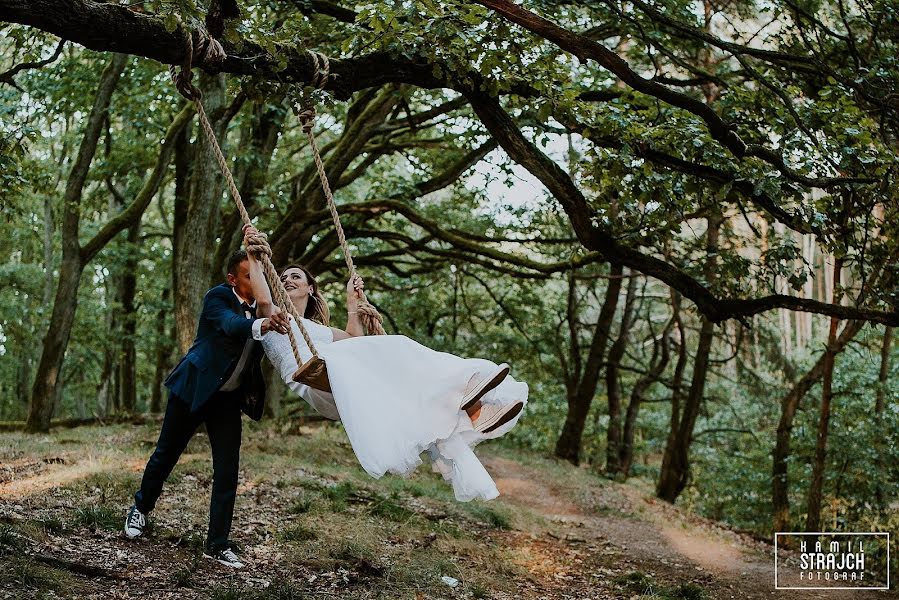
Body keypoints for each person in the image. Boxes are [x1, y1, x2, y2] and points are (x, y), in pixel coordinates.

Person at [242, 225, 527, 501]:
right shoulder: (276, 315)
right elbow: (263, 300)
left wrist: (352, 304)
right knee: (397, 348)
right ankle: (466, 383)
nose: (288, 280)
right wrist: (254, 257)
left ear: (311, 289)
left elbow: (353, 337)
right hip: (314, 379)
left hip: (336, 381)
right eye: (283, 277)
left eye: (296, 277)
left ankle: (473, 411)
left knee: (406, 390)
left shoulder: (316, 328)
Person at [123, 250, 290, 569]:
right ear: (233, 280)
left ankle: (217, 544)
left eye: (257, 275)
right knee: (166, 453)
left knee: (227, 470)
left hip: (228, 399)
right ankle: (140, 509)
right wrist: (262, 325)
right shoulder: (218, 297)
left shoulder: (267, 309)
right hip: (194, 387)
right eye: (247, 276)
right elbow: (230, 326)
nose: (255, 281)